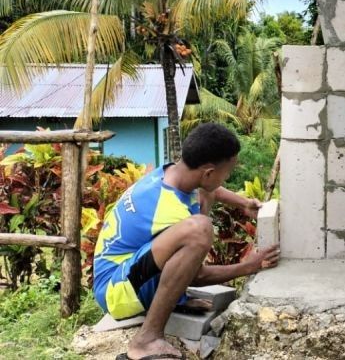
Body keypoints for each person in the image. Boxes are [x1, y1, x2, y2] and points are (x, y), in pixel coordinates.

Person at [93, 123, 280, 360]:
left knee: (202, 203)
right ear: (209, 172)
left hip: (126, 273)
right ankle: (146, 340)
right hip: (115, 293)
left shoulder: (172, 174)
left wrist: (242, 203)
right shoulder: (168, 208)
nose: (228, 177)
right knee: (199, 228)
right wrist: (249, 266)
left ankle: (173, 298)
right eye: (227, 172)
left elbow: (210, 189)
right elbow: (197, 276)